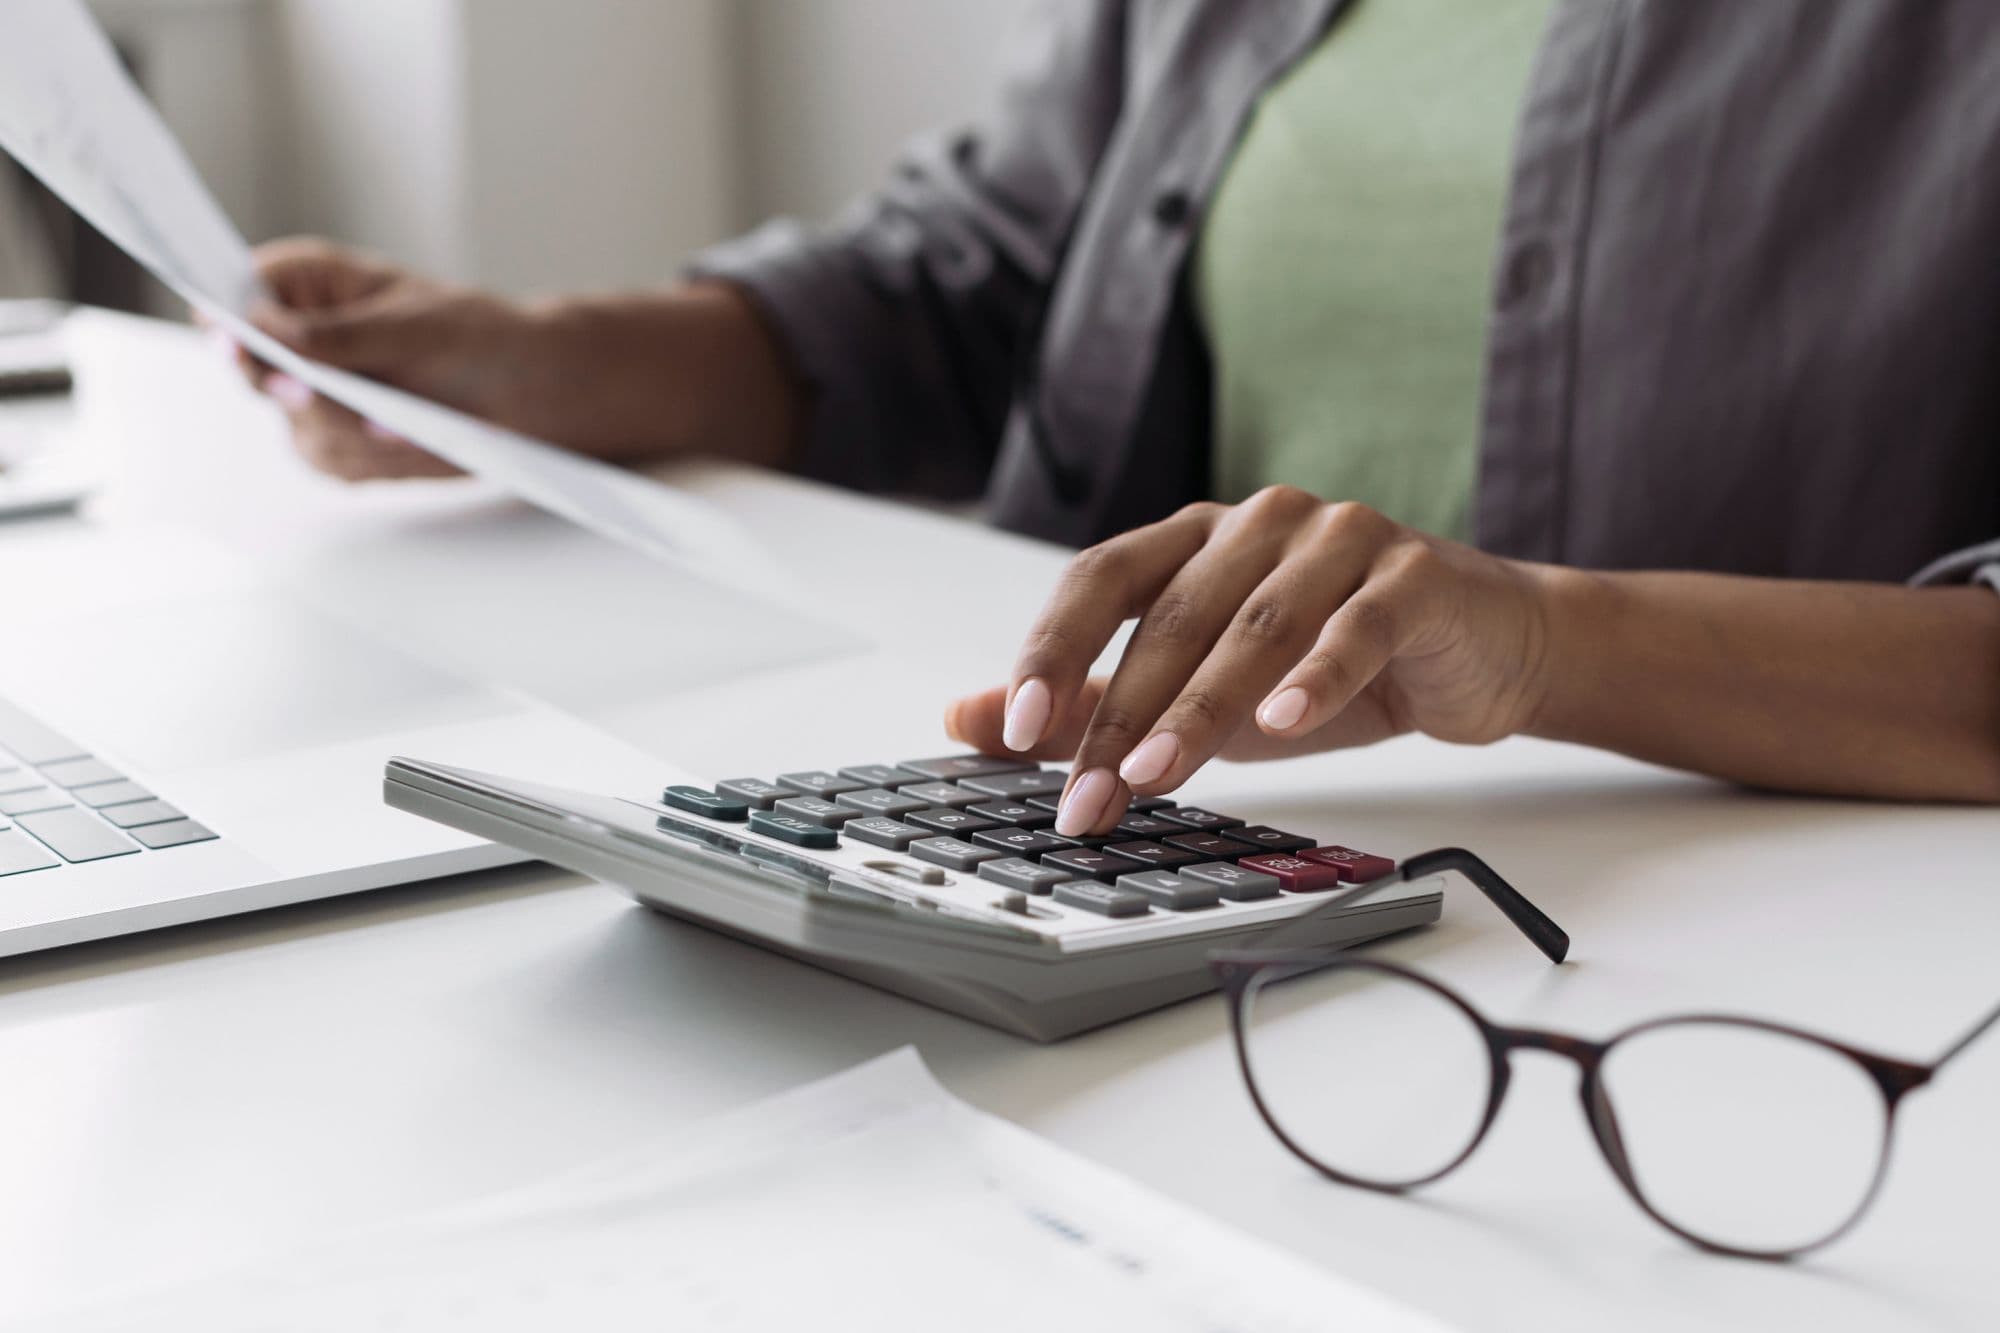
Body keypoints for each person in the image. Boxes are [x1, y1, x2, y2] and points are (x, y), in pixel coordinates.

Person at [227, 0, 2000, 839]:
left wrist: (1541, 641)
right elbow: (971, 280)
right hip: (1160, 865)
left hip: (1754, 957)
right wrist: (542, 358)